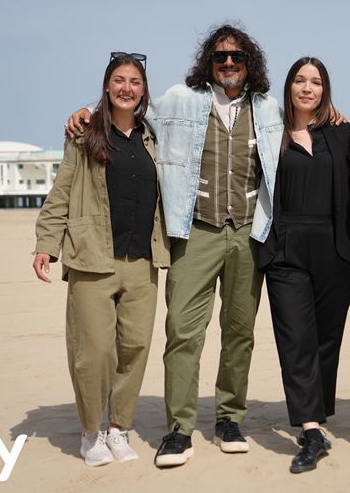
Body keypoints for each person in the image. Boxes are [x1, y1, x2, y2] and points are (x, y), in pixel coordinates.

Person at [67, 24, 283, 468]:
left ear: (249, 63)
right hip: (194, 230)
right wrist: (85, 111)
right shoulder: (181, 100)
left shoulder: (268, 108)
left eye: (236, 58)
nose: (228, 64)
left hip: (248, 231)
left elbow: (305, 123)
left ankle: (229, 418)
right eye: (220, 57)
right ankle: (179, 428)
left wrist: (334, 114)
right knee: (183, 331)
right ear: (209, 63)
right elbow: (129, 109)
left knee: (239, 332)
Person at [33, 53, 170, 466]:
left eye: (135, 82)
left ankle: (118, 429)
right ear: (107, 87)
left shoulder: (155, 136)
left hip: (144, 259)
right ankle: (91, 432)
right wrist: (46, 243)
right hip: (93, 257)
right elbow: (61, 191)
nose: (127, 88)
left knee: (134, 347)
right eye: (118, 80)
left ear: (143, 90)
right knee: (92, 352)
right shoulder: (84, 134)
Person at [258, 57, 350, 473]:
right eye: (300, 80)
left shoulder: (340, 132)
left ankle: (314, 417)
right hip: (285, 249)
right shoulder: (270, 131)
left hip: (334, 248)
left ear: (325, 90)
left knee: (325, 341)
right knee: (296, 339)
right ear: (289, 87)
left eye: (315, 82)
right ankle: (312, 432)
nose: (307, 88)